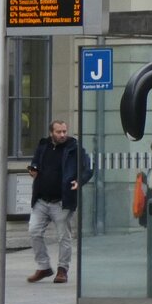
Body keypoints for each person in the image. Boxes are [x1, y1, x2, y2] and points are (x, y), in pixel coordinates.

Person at [27, 120, 93, 284]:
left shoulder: (74, 148)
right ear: (51, 133)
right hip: (41, 199)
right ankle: (44, 267)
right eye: (59, 132)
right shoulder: (43, 146)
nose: (62, 134)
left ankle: (62, 269)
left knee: (64, 236)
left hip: (62, 201)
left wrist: (79, 181)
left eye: (64, 131)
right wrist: (33, 169)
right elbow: (35, 162)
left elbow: (88, 168)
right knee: (34, 231)